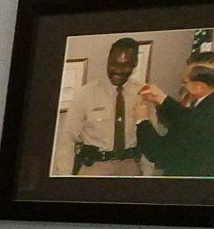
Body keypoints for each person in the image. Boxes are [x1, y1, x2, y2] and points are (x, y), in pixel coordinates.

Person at [137, 51, 214, 178]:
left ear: (199, 87)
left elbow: (158, 153)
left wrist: (142, 120)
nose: (183, 85)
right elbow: (187, 117)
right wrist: (161, 98)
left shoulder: (202, 122)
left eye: (185, 82)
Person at [58, 38, 148, 175]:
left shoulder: (143, 94)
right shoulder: (85, 94)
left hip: (129, 167)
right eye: (113, 64)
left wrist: (148, 176)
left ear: (135, 64)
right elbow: (67, 139)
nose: (118, 70)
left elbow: (150, 140)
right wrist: (63, 177)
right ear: (107, 60)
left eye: (125, 65)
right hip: (94, 168)